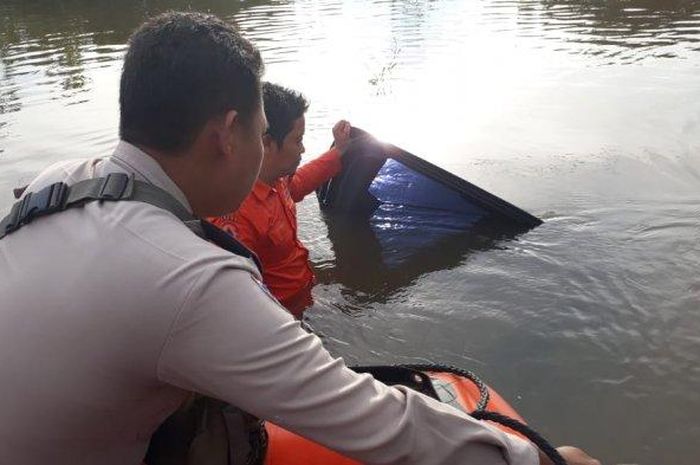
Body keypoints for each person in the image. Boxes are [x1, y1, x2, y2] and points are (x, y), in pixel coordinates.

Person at [0, 11, 600, 465]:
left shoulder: (58, 184)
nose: (272, 153)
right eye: (263, 134)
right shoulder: (191, 278)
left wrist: (338, 157)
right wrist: (538, 457)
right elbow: (365, 418)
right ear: (227, 134)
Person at [210, 83, 349, 318]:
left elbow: (296, 186)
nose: (303, 148)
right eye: (297, 140)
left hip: (303, 300)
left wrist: (338, 152)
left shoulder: (276, 178)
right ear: (266, 142)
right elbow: (237, 301)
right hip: (281, 318)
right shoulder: (234, 214)